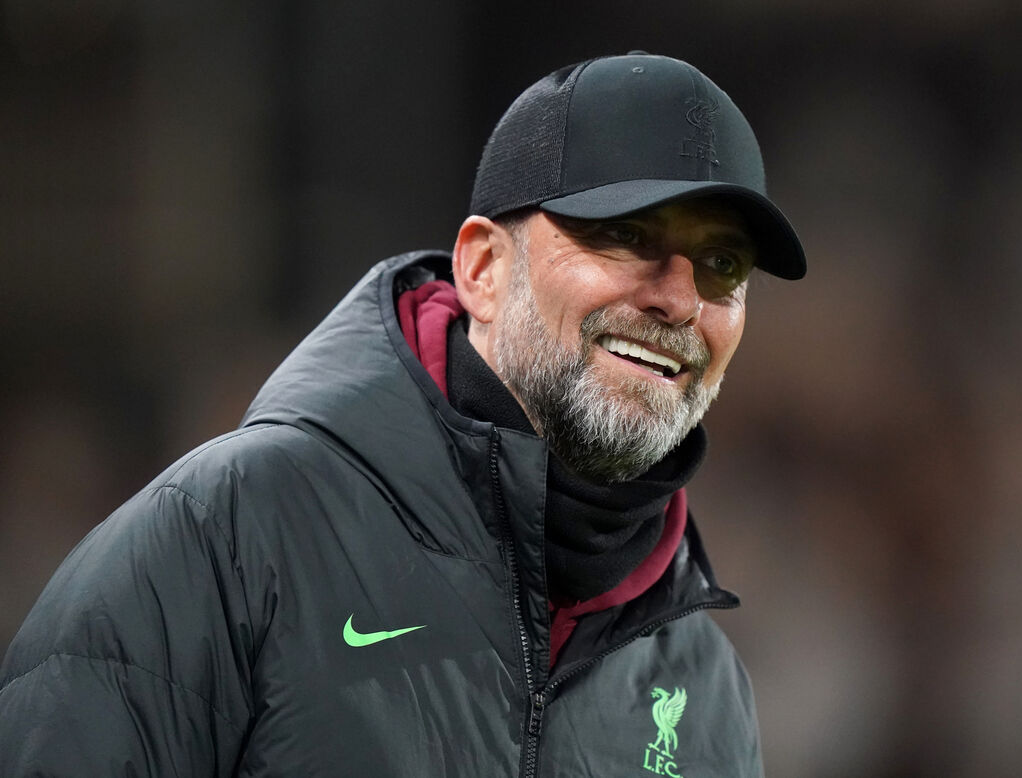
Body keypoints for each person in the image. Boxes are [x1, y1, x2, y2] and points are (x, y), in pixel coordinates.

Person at [0, 52, 805, 776]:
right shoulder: (230, 535)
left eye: (721, 265)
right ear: (484, 270)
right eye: (626, 236)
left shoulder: (703, 686)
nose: (677, 297)